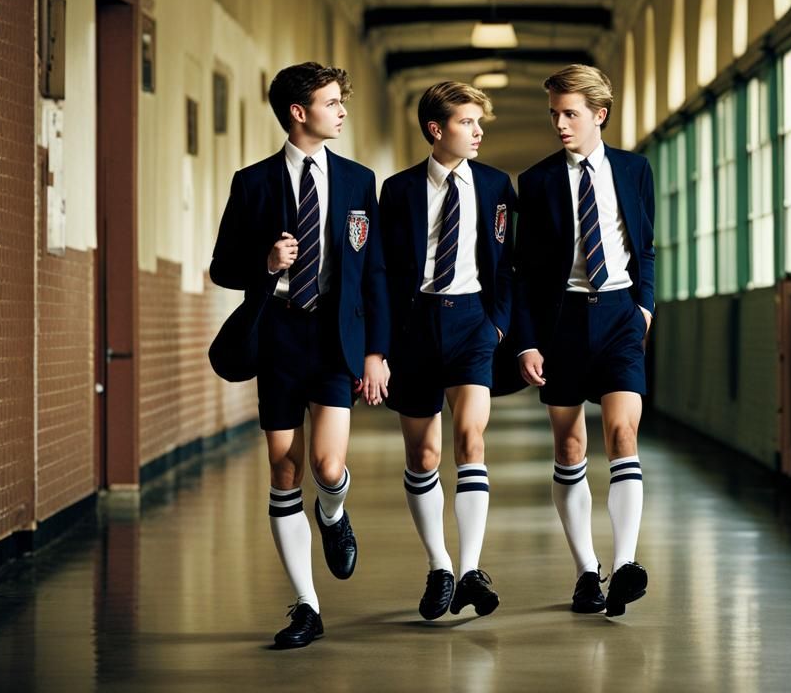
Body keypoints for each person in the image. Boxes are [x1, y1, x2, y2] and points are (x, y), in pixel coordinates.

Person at [209, 62, 389, 648]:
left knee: (327, 468)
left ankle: (333, 515)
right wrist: (265, 263)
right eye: (332, 102)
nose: (341, 111)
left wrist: (376, 352)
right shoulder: (253, 182)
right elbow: (222, 267)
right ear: (299, 112)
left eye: (341, 100)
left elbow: (375, 274)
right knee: (283, 468)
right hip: (280, 336)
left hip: (337, 339)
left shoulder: (361, 181)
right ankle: (306, 607)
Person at [514, 64, 655, 617]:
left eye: (570, 113)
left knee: (623, 432)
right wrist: (528, 342)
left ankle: (625, 566)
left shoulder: (634, 169)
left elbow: (644, 244)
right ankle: (585, 572)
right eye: (554, 114)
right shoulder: (538, 180)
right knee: (570, 448)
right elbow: (525, 273)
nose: (560, 124)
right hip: (564, 320)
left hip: (621, 314)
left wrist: (645, 307)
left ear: (599, 114)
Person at [379, 81, 515, 620]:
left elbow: (507, 265)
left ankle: (471, 569)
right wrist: (382, 347)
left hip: (473, 325)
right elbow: (384, 273)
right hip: (416, 330)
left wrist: (497, 327)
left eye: (480, 123)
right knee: (425, 455)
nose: (478, 132)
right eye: (467, 123)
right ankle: (439, 566)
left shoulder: (497, 186)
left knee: (470, 437)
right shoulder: (399, 190)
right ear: (436, 130)